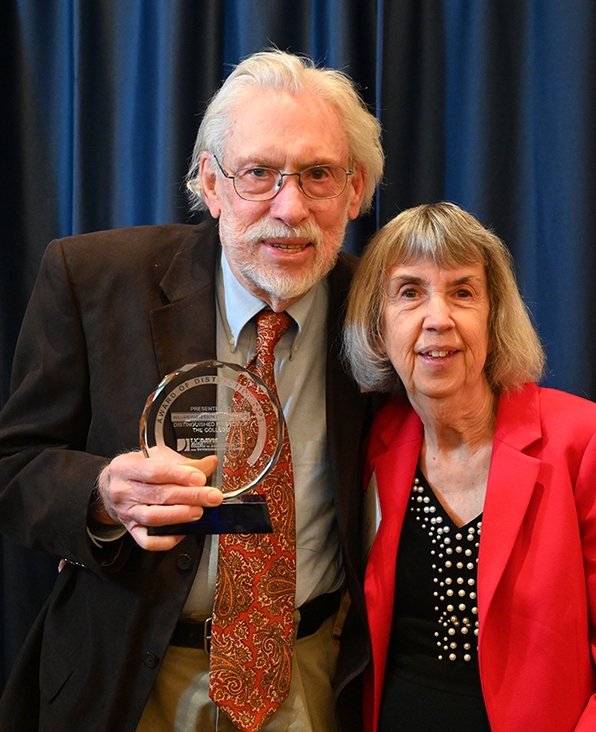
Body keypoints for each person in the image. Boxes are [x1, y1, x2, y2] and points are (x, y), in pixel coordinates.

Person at [0, 50, 384, 732]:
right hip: (132, 674)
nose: (289, 208)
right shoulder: (93, 280)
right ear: (211, 183)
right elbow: (14, 467)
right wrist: (102, 494)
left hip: (315, 675)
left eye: (318, 175)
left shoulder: (381, 309)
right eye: (259, 174)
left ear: (354, 191)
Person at [342, 202, 596, 732]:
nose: (438, 318)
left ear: (494, 315)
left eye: (463, 292)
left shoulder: (589, 441)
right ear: (377, 322)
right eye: (410, 292)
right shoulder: (374, 444)